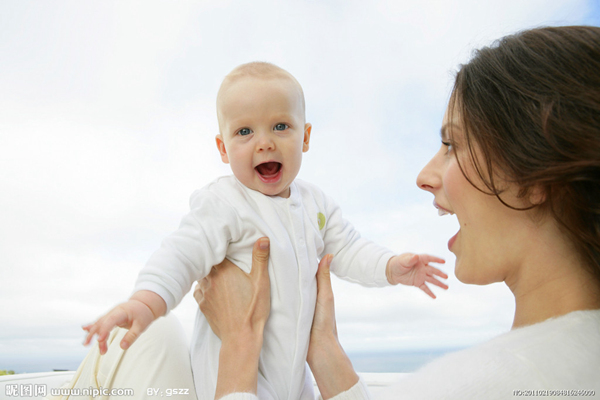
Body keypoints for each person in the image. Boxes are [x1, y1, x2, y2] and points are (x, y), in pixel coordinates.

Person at [196, 26, 600, 399]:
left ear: (534, 180)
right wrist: (325, 352)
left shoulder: (480, 383)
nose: (424, 176)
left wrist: (239, 346)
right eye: (245, 132)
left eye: (452, 145)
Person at [73, 62, 447, 400]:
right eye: (245, 131)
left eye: (280, 126)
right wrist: (146, 300)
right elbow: (181, 254)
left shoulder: (316, 203)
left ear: (305, 137)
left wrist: (390, 267)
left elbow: (347, 248)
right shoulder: (224, 203)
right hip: (235, 373)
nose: (265, 141)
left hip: (297, 377)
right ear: (223, 148)